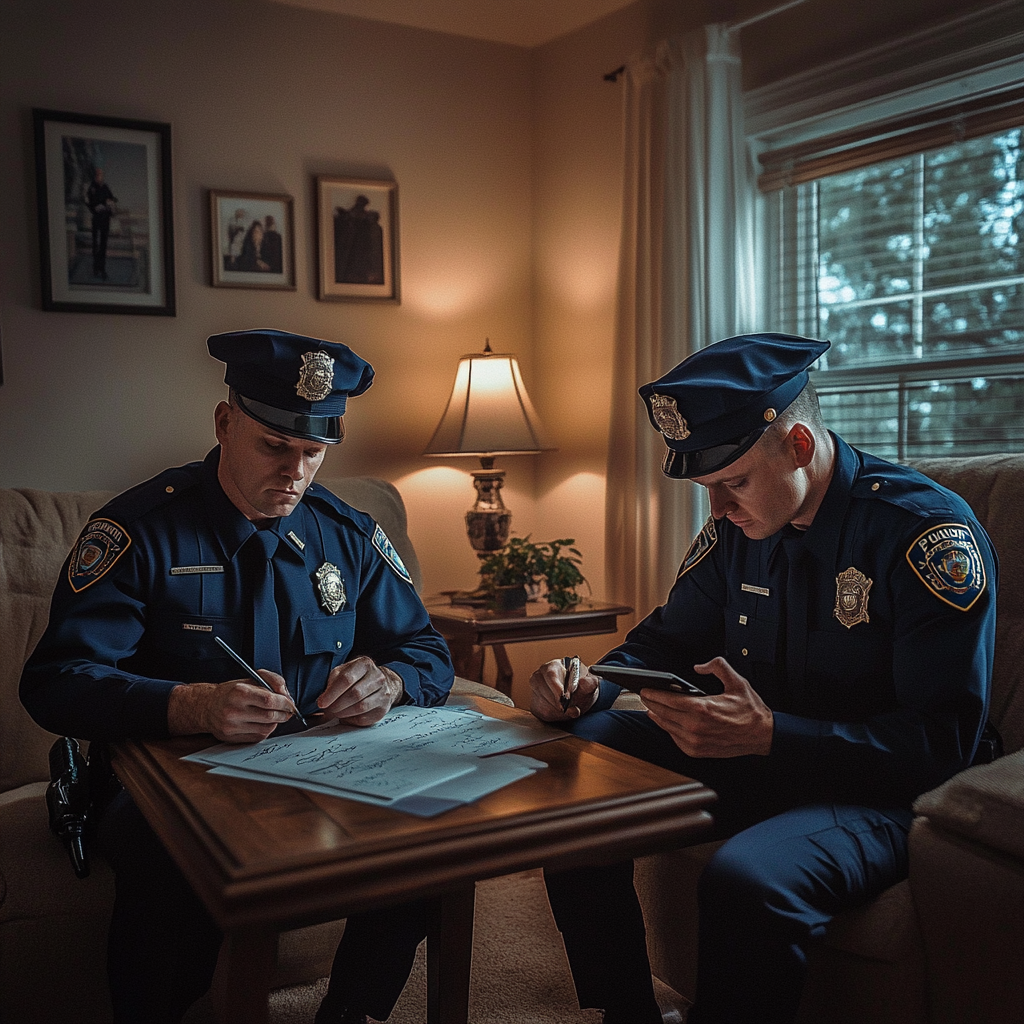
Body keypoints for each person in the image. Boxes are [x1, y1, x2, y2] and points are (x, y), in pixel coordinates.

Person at [528, 333, 998, 1024]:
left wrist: (772, 735)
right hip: (755, 755)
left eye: (732, 483)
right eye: (708, 489)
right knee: (575, 759)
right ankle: (626, 1010)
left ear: (800, 447)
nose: (716, 510)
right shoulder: (738, 530)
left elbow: (940, 747)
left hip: (882, 791)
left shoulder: (921, 535)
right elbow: (668, 639)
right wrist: (588, 683)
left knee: (745, 881)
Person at [20, 329, 455, 1024]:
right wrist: (191, 705)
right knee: (175, 865)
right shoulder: (143, 530)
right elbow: (56, 681)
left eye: (313, 453)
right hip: (172, 775)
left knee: (430, 849)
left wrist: (392, 679)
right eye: (274, 447)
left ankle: (349, 1012)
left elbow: (426, 648)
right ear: (225, 424)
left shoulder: (347, 535)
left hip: (322, 766)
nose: (295, 473)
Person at [85, 166, 117, 280]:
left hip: (105, 219)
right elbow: (88, 202)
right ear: (95, 176)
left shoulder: (105, 187)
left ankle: (102, 269)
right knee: (96, 244)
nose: (100, 176)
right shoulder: (91, 188)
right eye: (98, 174)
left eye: (101, 174)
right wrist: (95, 208)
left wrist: (110, 203)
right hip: (97, 219)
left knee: (103, 245)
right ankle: (96, 267)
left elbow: (112, 199)